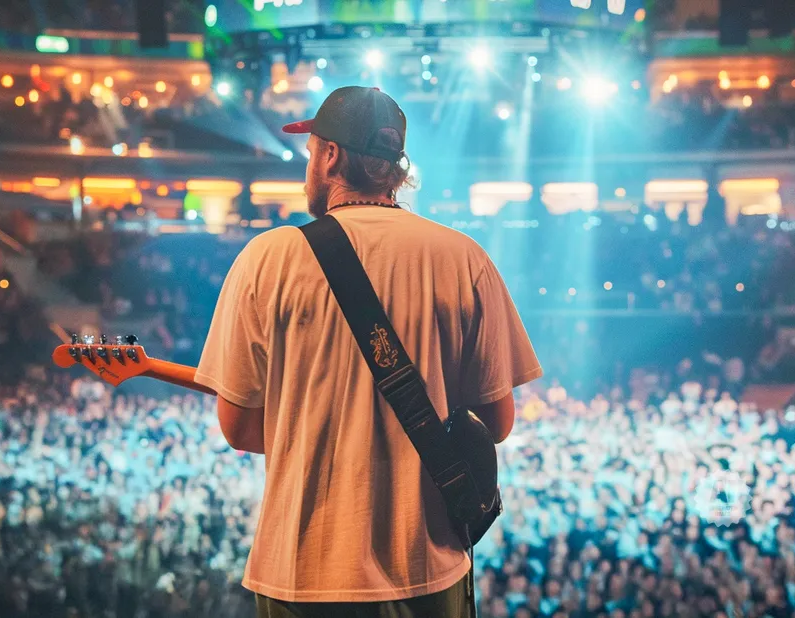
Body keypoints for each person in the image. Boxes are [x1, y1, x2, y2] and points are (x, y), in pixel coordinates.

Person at [194, 86, 543, 618]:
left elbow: (240, 429)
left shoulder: (266, 260)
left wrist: (318, 428)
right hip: (426, 569)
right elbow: (495, 423)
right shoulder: (464, 259)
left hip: (299, 573)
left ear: (330, 155)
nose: (309, 166)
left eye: (311, 153)